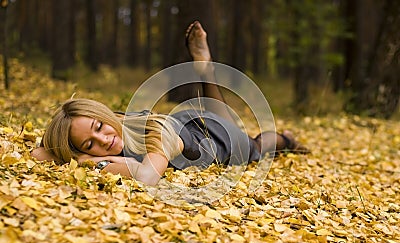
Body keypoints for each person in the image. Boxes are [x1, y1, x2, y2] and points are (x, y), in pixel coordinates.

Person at [31, 21, 308, 186]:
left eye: (99, 126)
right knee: (222, 116)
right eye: (89, 143)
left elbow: (148, 177)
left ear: (104, 115)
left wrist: (86, 160)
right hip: (196, 123)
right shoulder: (121, 125)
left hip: (216, 141)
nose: (102, 140)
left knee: (257, 144)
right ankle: (205, 69)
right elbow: (38, 154)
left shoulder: (154, 134)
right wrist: (71, 154)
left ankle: (288, 140)